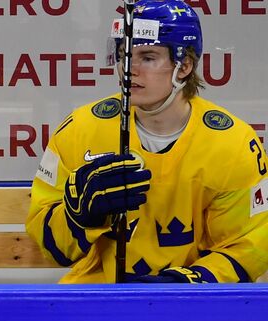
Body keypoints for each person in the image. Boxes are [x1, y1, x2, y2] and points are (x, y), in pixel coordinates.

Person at [27, 1, 268, 283]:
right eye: (123, 55)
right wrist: (78, 220)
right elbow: (48, 245)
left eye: (148, 57)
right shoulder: (80, 129)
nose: (129, 69)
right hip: (96, 298)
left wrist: (184, 284)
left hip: (192, 306)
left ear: (184, 65)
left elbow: (247, 246)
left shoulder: (233, 143)